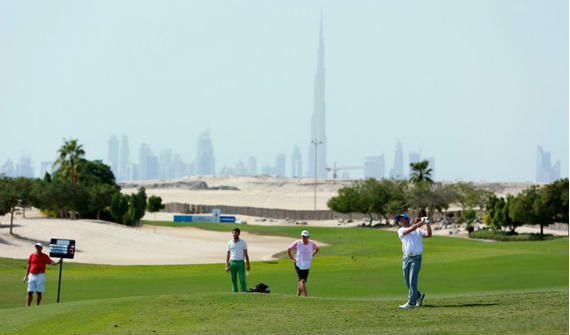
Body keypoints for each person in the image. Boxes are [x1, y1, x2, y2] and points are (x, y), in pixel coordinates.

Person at [396, 214, 432, 309]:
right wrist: (422, 222)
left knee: (412, 281)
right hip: (406, 258)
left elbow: (429, 235)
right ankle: (419, 296)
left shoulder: (418, 230)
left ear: (407, 219)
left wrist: (427, 223)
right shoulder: (401, 230)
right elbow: (411, 229)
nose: (400, 221)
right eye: (399, 220)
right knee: (407, 281)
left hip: (416, 258)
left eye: (402, 219)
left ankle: (411, 302)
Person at [23, 242, 59, 306]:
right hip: (31, 275)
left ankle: (37, 306)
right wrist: (26, 276)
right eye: (36, 247)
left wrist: (57, 262)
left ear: (41, 248)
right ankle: (27, 307)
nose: (37, 248)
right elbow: (29, 266)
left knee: (38, 292)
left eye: (39, 247)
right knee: (29, 292)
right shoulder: (32, 255)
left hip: (40, 275)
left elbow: (51, 262)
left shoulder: (45, 256)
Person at [287, 230, 319, 297]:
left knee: (301, 283)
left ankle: (297, 297)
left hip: (307, 264)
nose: (304, 238)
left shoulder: (311, 243)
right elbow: (289, 249)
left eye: (306, 236)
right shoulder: (298, 243)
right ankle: (306, 297)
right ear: (301, 236)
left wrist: (312, 255)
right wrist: (291, 259)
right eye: (303, 236)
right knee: (302, 281)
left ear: (308, 237)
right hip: (298, 263)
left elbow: (317, 249)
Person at [225, 228, 250, 292]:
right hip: (232, 262)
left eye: (236, 233)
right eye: (233, 233)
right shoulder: (229, 243)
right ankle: (235, 292)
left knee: (242, 279)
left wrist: (248, 265)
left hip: (240, 262)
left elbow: (246, 254)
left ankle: (243, 292)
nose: (234, 234)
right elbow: (228, 254)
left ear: (239, 234)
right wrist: (227, 265)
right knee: (233, 279)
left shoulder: (243, 242)